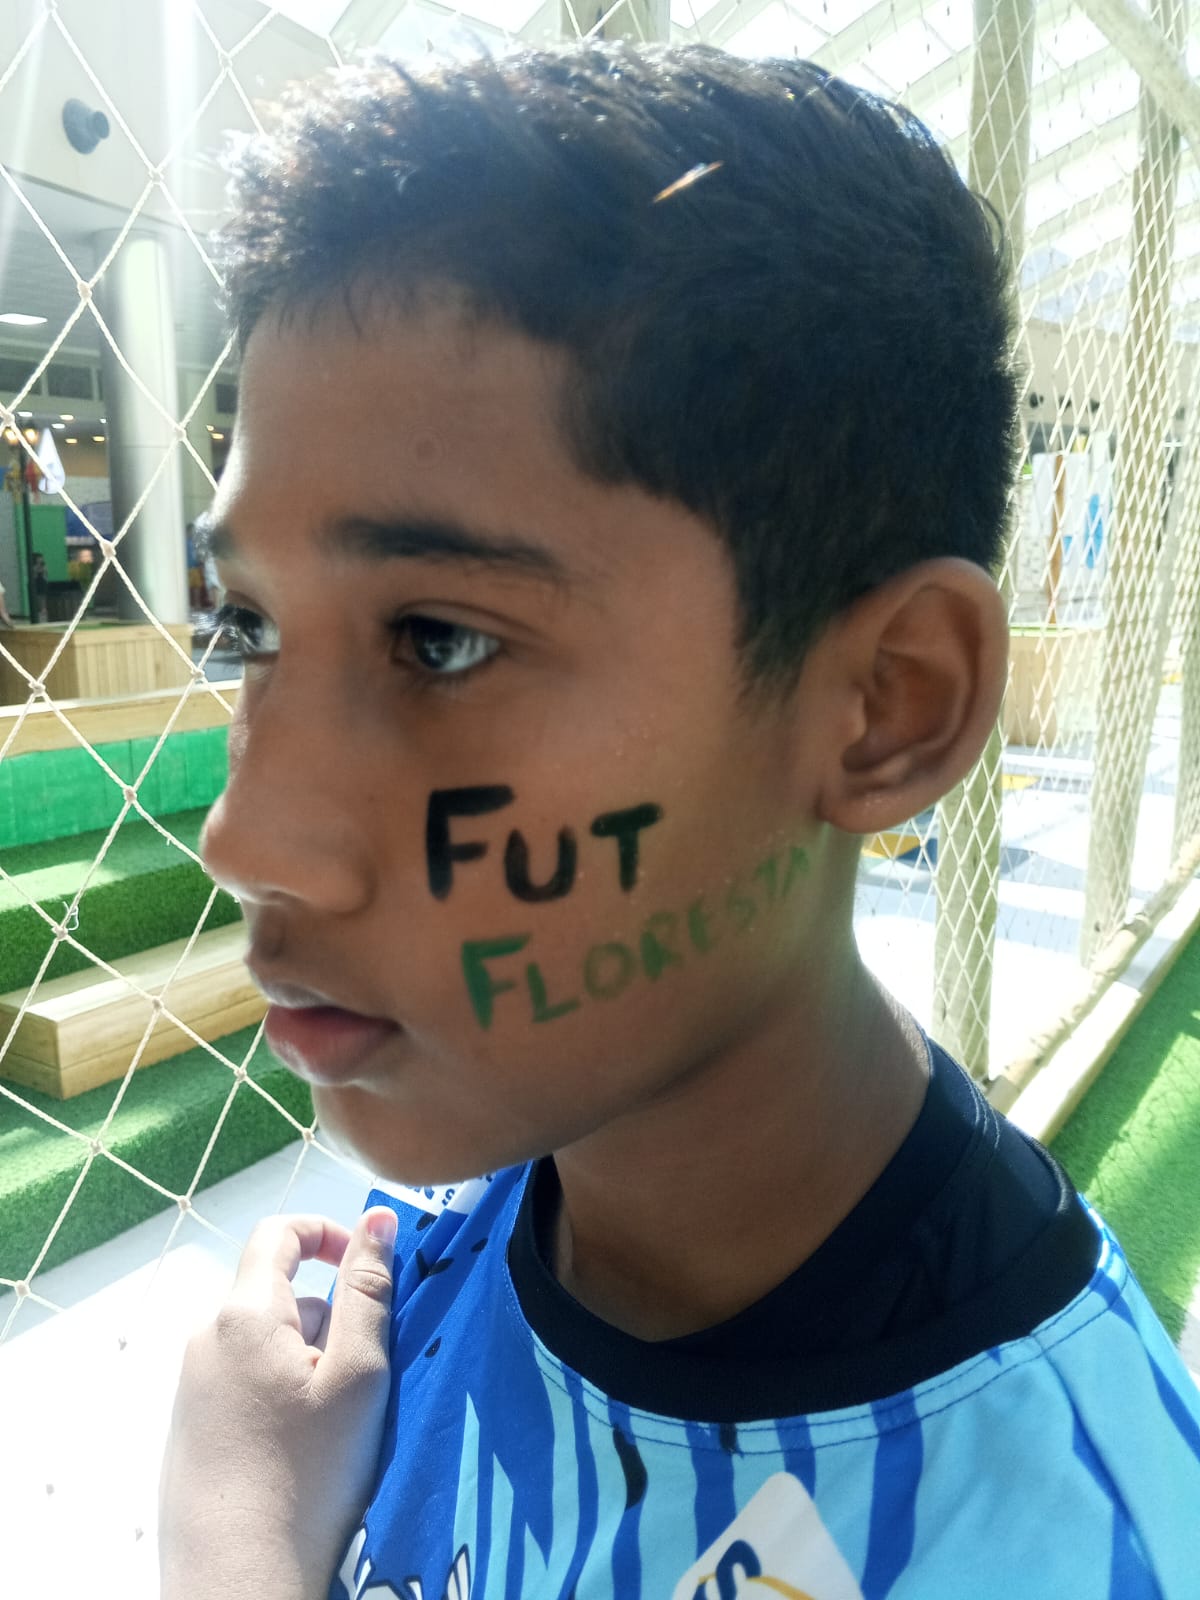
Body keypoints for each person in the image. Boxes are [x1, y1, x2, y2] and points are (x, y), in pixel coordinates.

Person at [159, 43, 1200, 1600]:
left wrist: (235, 1549)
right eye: (246, 625)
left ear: (889, 704)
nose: (247, 838)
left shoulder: (1067, 1548)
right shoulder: (500, 1187)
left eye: (441, 640)